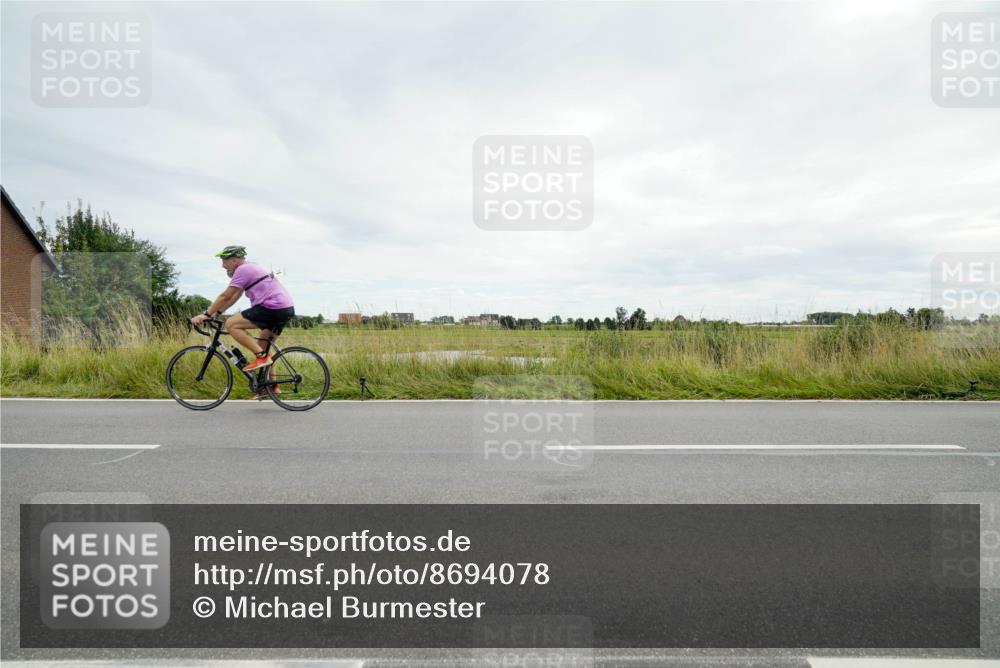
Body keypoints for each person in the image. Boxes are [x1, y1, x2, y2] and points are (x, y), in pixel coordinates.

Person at [190, 246, 295, 386]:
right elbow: (234, 296)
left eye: (224, 261)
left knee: (231, 324)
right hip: (284, 308)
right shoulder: (251, 268)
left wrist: (206, 314)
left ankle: (261, 358)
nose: (222, 266)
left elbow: (225, 295)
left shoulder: (243, 269)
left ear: (234, 260)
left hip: (272, 307)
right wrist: (218, 312)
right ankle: (272, 386)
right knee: (263, 347)